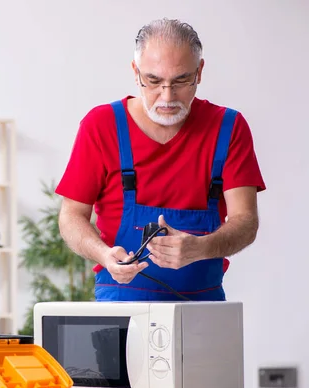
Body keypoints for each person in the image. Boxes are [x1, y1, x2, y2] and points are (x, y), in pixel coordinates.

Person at [55, 18, 266, 302]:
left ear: (199, 72)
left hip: (203, 307)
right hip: (121, 302)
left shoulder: (228, 128)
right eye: (153, 81)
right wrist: (103, 254)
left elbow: (245, 221)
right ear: (136, 72)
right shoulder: (101, 126)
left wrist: (200, 248)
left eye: (180, 81)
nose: (167, 97)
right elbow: (71, 216)